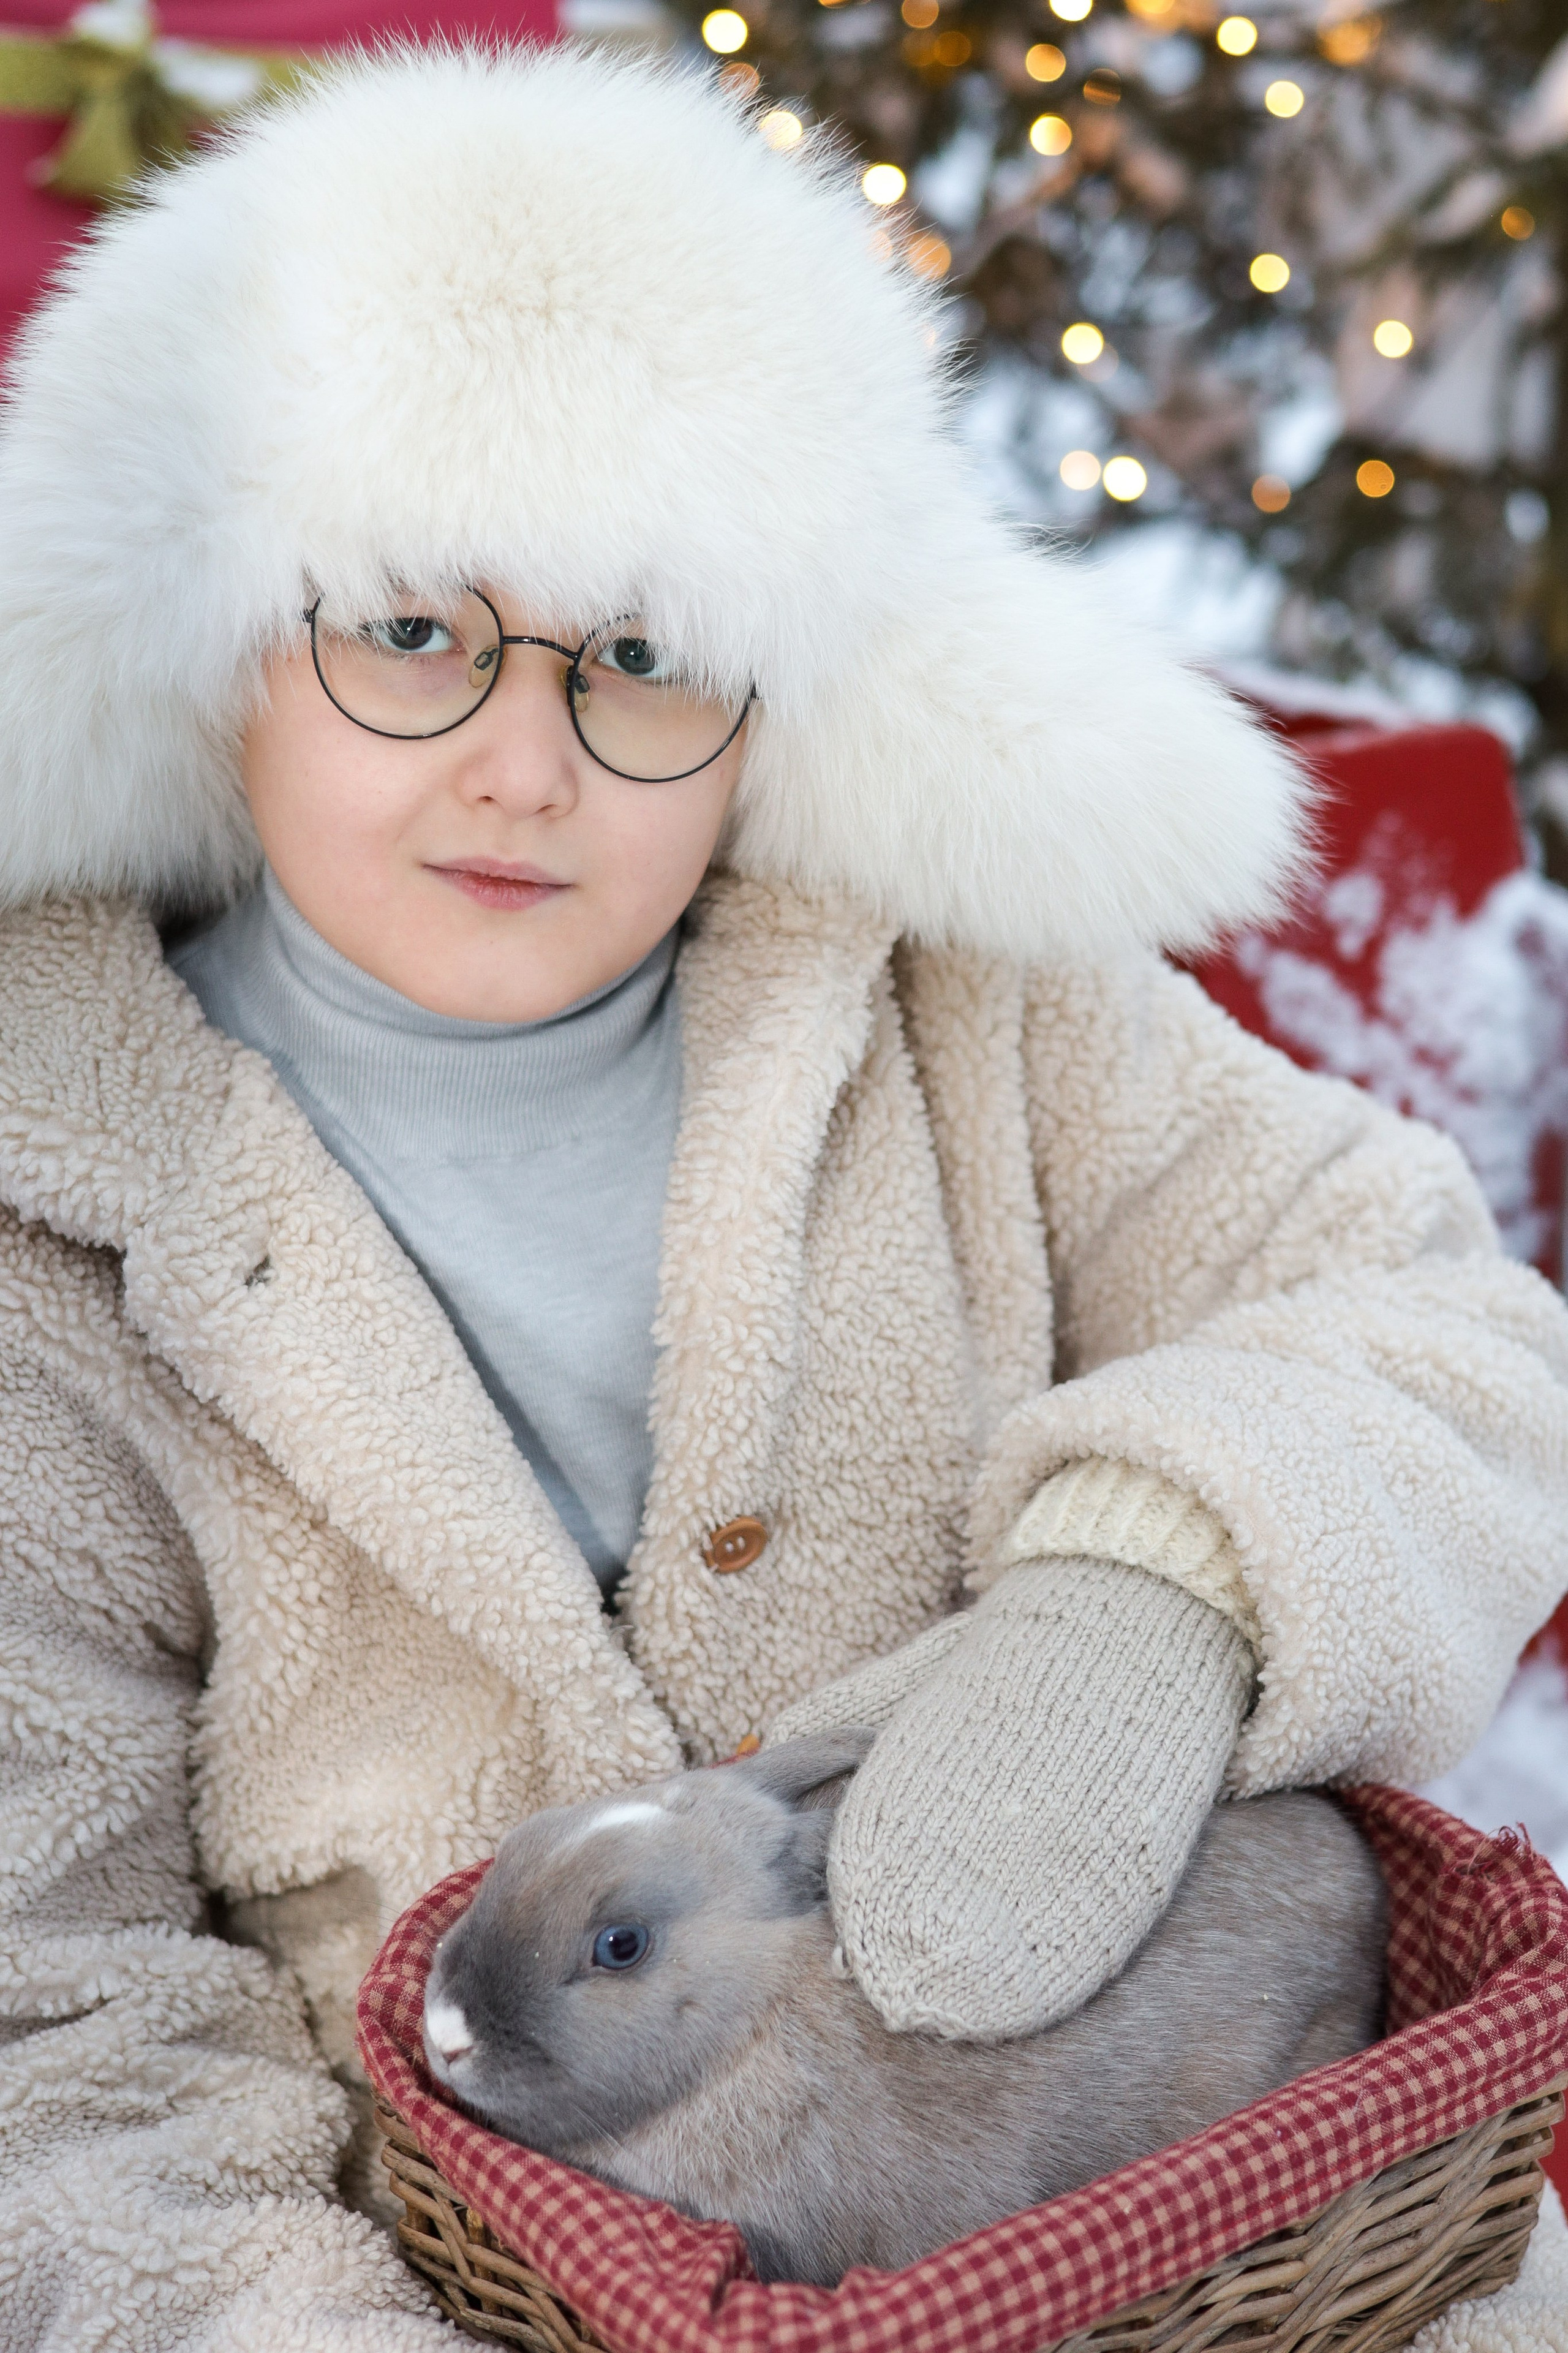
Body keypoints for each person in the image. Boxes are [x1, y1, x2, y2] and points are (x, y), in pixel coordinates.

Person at [0, 42, 1564, 2353]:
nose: (527, 761)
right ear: (232, 635)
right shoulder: (57, 1224)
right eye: (412, 627)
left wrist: (1156, 1592)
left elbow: (1434, 1310)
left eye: (644, 652)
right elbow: (61, 2022)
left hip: (1200, 2248)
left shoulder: (976, 1015)